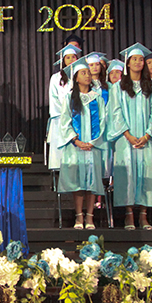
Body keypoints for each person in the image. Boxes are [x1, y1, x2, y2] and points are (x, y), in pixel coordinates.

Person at [107, 43, 152, 230]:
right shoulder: (117, 88)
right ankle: (129, 216)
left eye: (141, 59)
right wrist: (128, 135)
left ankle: (144, 216)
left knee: (146, 174)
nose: (139, 62)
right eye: (135, 59)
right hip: (126, 139)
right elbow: (115, 113)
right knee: (128, 175)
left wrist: (147, 135)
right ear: (128, 64)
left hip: (146, 139)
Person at [58, 58, 106, 229]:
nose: (87, 75)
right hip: (75, 147)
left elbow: (103, 122)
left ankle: (90, 217)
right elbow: (64, 122)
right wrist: (76, 140)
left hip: (93, 146)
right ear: (76, 78)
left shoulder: (97, 98)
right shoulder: (70, 98)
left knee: (92, 182)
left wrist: (93, 142)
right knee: (78, 182)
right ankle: (79, 216)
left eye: (88, 73)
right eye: (83, 73)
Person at [46, 43, 80, 171]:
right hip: (61, 119)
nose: (71, 60)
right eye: (68, 57)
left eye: (74, 57)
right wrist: (66, 113)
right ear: (63, 60)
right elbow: (54, 99)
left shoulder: (81, 76)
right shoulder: (56, 78)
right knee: (63, 155)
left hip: (79, 118)